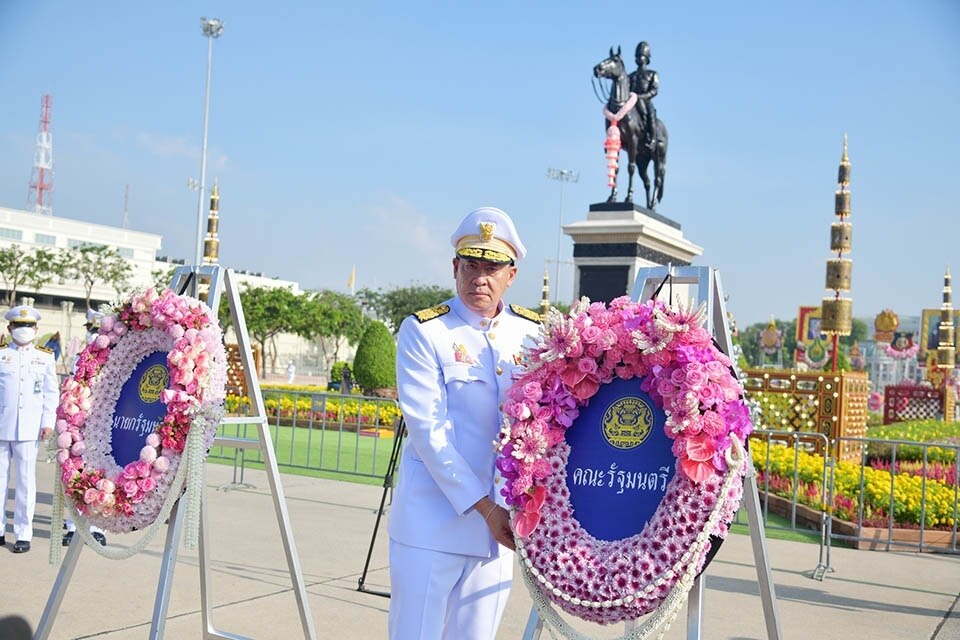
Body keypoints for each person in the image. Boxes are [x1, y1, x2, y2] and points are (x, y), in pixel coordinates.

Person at [388, 207, 542, 639]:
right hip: (431, 524)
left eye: (492, 268)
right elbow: (428, 432)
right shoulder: (426, 332)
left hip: (499, 533)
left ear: (510, 275)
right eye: (471, 266)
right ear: (455, 268)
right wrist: (487, 508)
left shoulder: (533, 335)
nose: (480, 278)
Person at [0, 305, 59, 553]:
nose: (23, 330)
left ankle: (23, 533)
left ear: (36, 329)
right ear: (9, 328)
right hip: (1, 426)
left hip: (29, 429)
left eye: (28, 326)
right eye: (19, 325)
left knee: (25, 482)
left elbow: (50, 392)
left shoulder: (44, 357)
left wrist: (48, 422)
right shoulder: (2, 355)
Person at [62, 309, 107, 547]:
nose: (94, 336)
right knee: (75, 473)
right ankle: (73, 527)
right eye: (91, 330)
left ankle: (98, 528)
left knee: (101, 476)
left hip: (101, 429)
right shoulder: (79, 360)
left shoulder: (114, 356)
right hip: (78, 426)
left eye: (98, 331)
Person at [628, 40, 660, 152]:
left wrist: (641, 97)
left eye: (641, 56)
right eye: (637, 56)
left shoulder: (652, 74)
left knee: (651, 115)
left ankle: (652, 139)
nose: (638, 58)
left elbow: (654, 90)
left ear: (647, 58)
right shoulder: (631, 76)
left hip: (645, 101)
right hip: (632, 102)